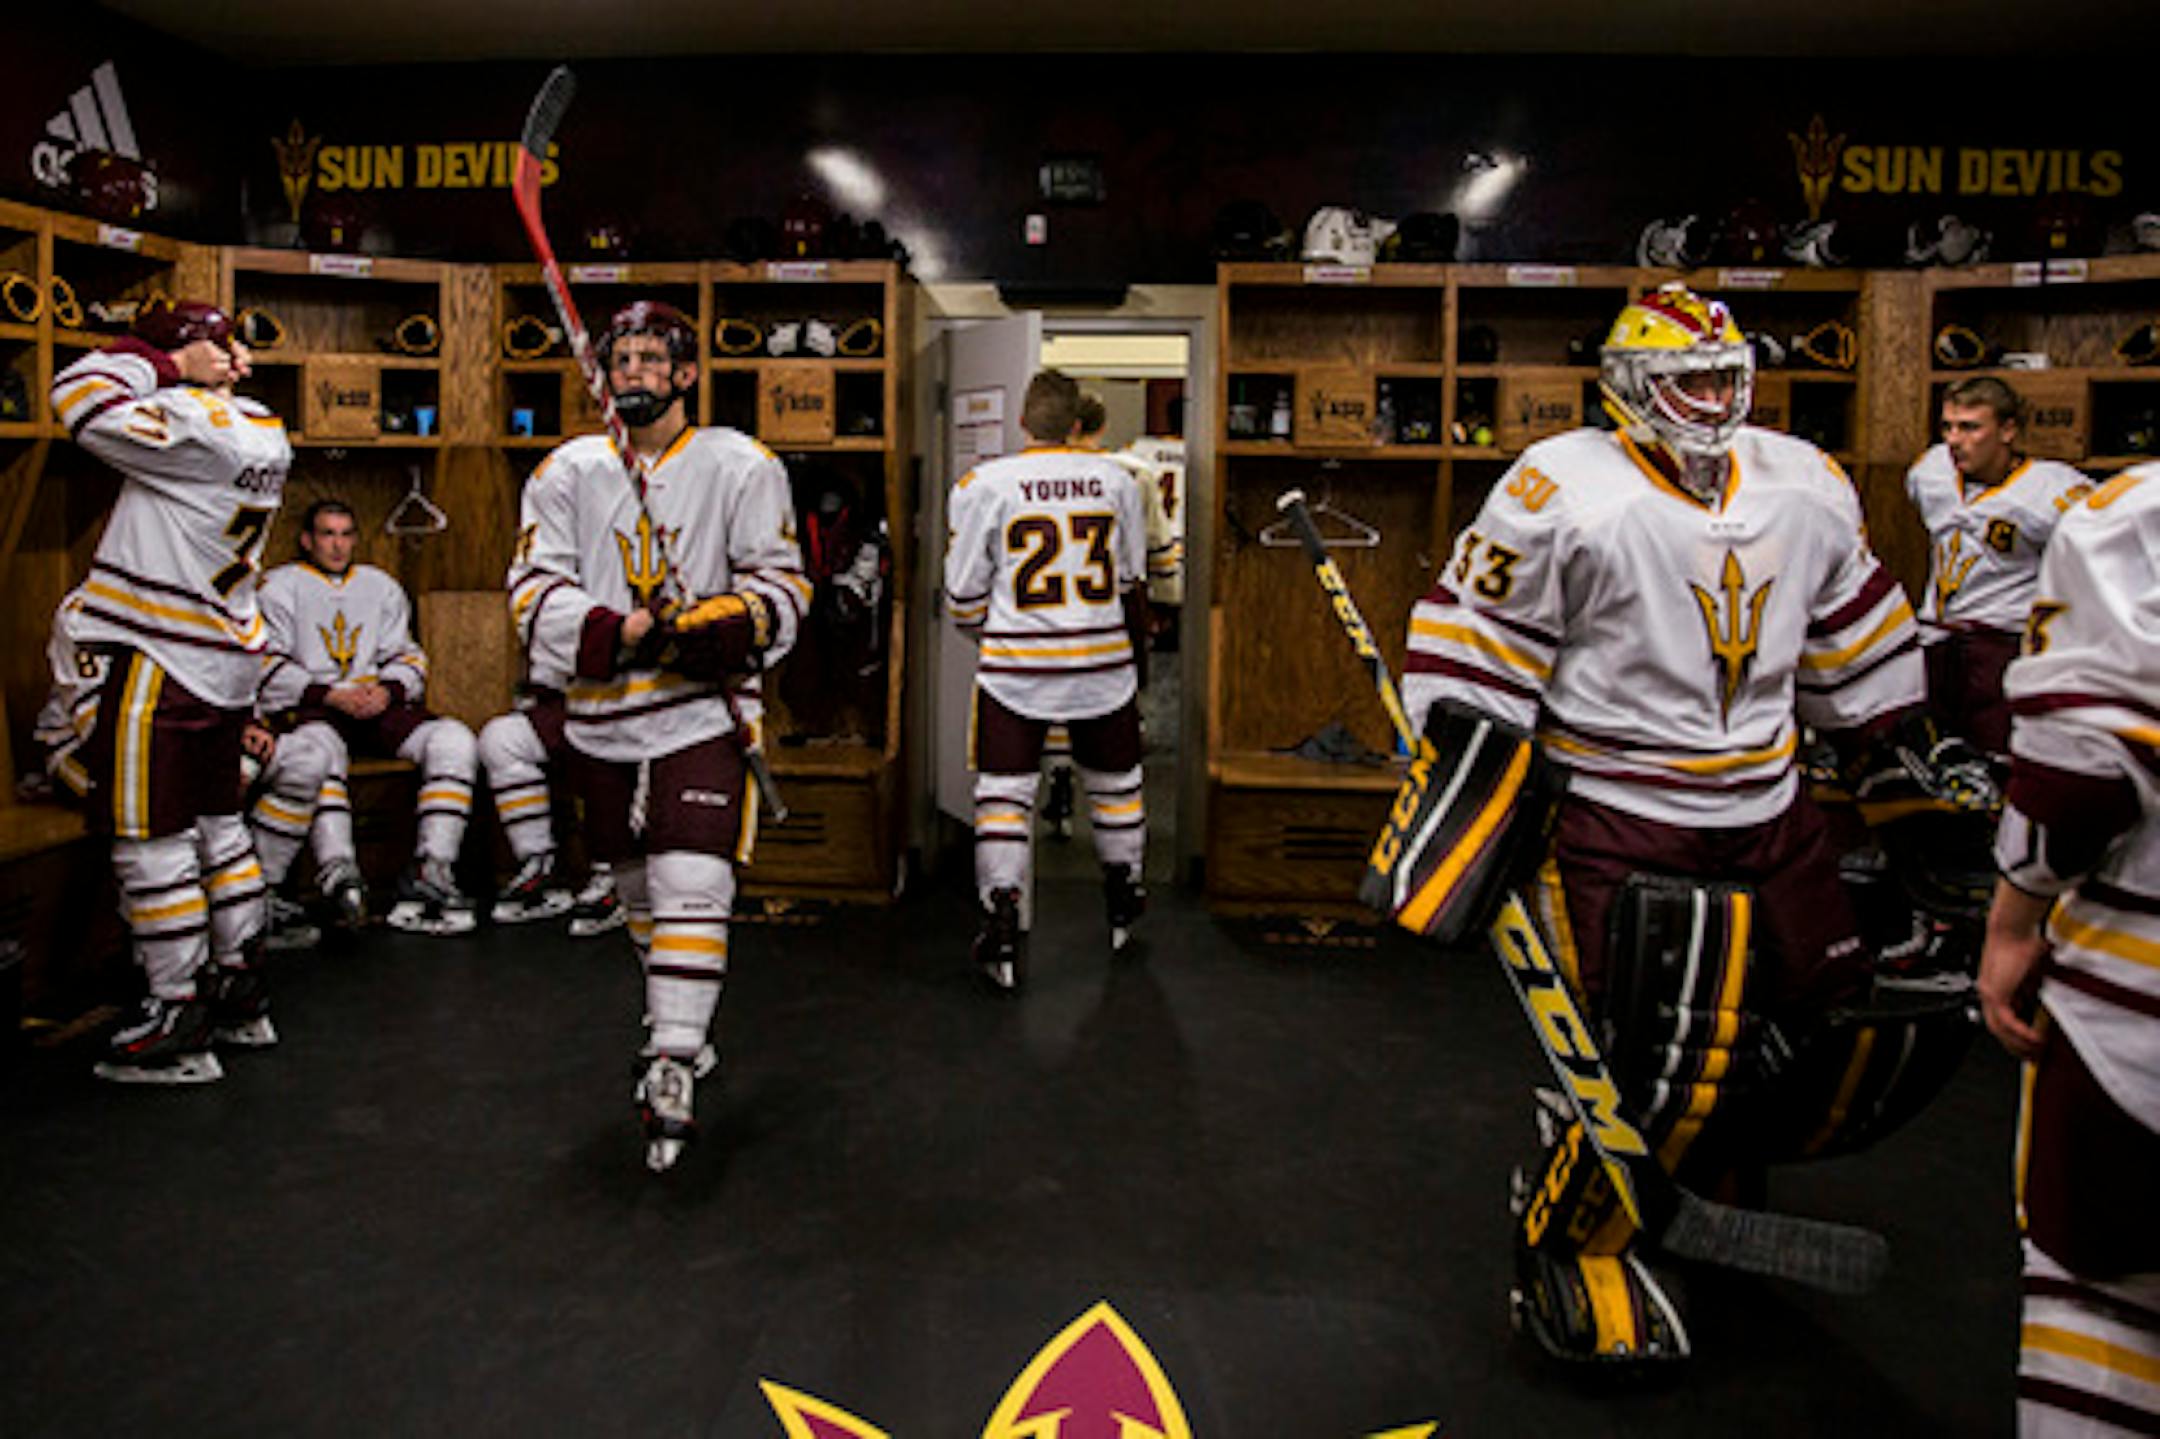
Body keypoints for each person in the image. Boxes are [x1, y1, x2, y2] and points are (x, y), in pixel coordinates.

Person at [1391, 283, 1983, 1366]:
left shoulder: (1806, 482)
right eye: (1687, 380)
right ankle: (1578, 1238)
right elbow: (1478, 641)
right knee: (1658, 1051)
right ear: (1628, 387)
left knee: (1804, 1023)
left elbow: (1851, 629)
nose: (1710, 401)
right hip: (1621, 812)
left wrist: (1895, 753)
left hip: (1770, 803)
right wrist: (1467, 774)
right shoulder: (1557, 486)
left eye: (1724, 379)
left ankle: (1701, 1178)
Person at [507, 299, 808, 1172]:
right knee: (640, 895)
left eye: (651, 360)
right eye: (621, 360)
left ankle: (671, 1059)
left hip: (703, 712)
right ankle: (676, 1017)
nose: (633, 373)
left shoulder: (742, 463)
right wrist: (622, 629)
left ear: (686, 374)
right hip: (604, 714)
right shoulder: (566, 470)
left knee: (691, 878)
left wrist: (736, 619)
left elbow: (785, 584)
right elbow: (532, 591)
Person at [48, 300, 288, 1082]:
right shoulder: (261, 426)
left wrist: (166, 363)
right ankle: (241, 987)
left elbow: (76, 396)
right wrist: (199, 366)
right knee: (220, 828)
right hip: (224, 659)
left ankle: (177, 1008)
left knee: (151, 841)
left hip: (163, 656)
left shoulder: (193, 424)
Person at [1977, 463, 2159, 1437]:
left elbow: (2084, 769)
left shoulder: (2133, 515)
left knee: (2107, 1303)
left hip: (2138, 1016)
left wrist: (2013, 918)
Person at [945, 370, 1149, 991]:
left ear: (1024, 423)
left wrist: (996, 633)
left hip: (1015, 667)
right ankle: (1123, 896)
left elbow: (961, 595)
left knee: (1004, 796)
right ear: (1079, 424)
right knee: (1116, 787)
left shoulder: (983, 484)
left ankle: (1001, 920)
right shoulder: (1120, 480)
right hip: (1101, 662)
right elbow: (1130, 579)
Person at [258, 500, 479, 935]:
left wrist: (387, 690)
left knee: (454, 740)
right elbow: (267, 666)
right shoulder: (278, 588)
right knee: (318, 754)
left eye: (345, 534)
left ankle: (432, 869)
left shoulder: (380, 586)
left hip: (374, 703)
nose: (337, 545)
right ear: (307, 539)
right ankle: (338, 875)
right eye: (327, 534)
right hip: (316, 707)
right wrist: (330, 695)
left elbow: (408, 656)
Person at [1906, 376, 2091, 762]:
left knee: (1998, 763)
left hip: (2001, 649)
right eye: (1948, 427)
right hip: (1935, 646)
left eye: (1970, 427)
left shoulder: (2052, 491)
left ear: (2008, 430)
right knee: (1932, 765)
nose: (1954, 440)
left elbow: (2104, 550)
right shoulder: (1931, 472)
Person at [1037, 391, 1178, 844]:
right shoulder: (1132, 471)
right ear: (1095, 426)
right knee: (1113, 698)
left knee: (1056, 697)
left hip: (1045, 599)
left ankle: (1060, 776)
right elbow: (1157, 543)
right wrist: (1167, 600)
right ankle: (1115, 807)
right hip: (1112, 599)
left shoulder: (1027, 475)